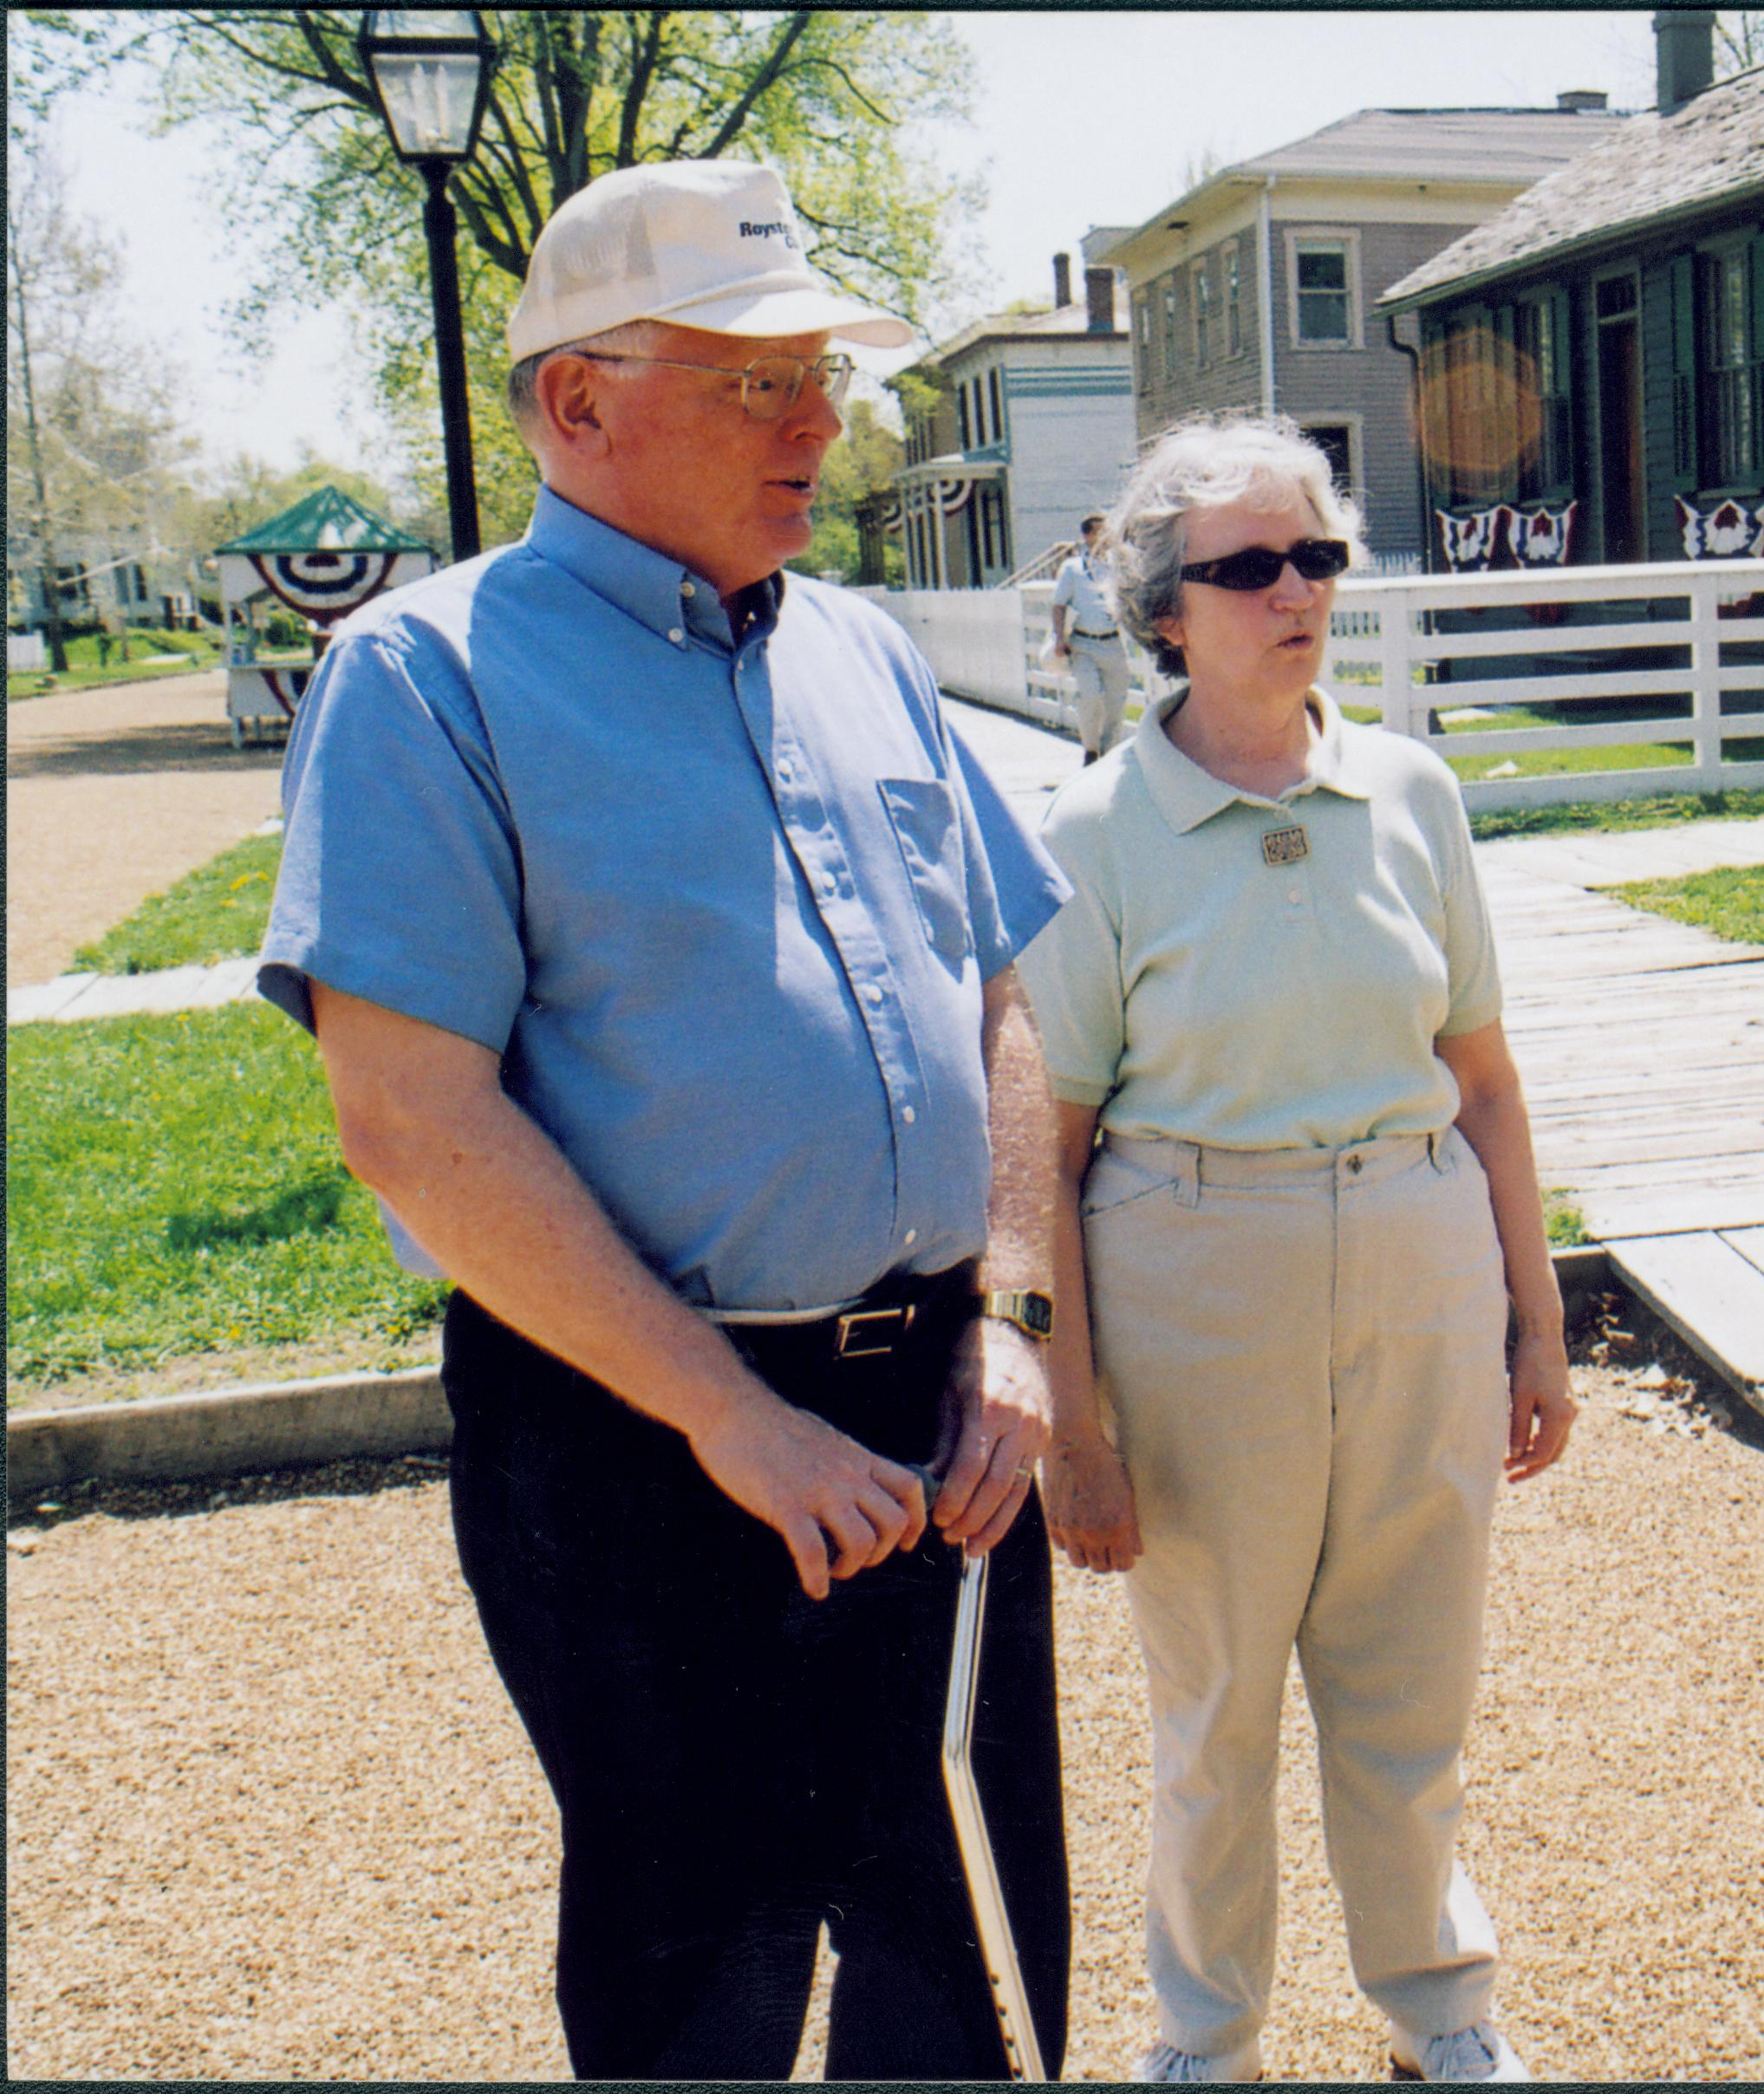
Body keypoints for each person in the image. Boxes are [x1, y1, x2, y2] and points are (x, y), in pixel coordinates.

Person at [257, 159, 1078, 2080]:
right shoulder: (426, 677)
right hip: (641, 1444)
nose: (821, 421)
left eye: (825, 377)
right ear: (577, 401)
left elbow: (1002, 997)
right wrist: (733, 1414)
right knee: (695, 1984)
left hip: (938, 1414)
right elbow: (411, 1117)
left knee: (967, 1955)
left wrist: (1016, 1313)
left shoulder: (863, 648)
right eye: (755, 377)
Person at [1017, 413, 1576, 2084]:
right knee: (1217, 1709)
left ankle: (1438, 2009)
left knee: (1410, 1679)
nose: (1293, 593)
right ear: (1162, 609)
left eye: (1317, 557)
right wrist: (1076, 1423)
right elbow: (1043, 1147)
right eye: (1247, 567)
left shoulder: (1412, 790)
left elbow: (1481, 1073)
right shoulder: (1092, 830)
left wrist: (1534, 1323)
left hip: (1416, 1252)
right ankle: (1208, 2035)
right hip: (1195, 1268)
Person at [1049, 512, 1131, 762]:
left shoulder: (1118, 566)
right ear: (1087, 535)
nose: (1106, 537)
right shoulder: (1073, 569)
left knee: (1117, 701)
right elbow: (1058, 605)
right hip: (1083, 643)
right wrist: (1059, 638)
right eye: (1100, 531)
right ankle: (1091, 749)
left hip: (1113, 642)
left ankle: (1108, 753)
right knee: (1090, 696)